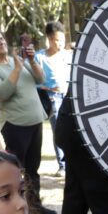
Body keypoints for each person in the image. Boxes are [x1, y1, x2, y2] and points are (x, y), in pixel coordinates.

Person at [0, 25, 56, 214]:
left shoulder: (18, 60)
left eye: (2, 38)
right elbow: (2, 93)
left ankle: (34, 205)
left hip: (35, 121)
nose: (2, 42)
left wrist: (31, 60)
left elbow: (41, 79)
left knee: (33, 168)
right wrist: (17, 69)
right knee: (16, 170)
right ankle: (15, 207)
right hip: (15, 125)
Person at [36, 21, 71, 176]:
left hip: (69, 96)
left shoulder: (69, 55)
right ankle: (62, 164)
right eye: (57, 40)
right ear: (49, 39)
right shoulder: (39, 58)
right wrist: (48, 88)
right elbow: (34, 81)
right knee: (59, 130)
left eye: (63, 40)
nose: (61, 44)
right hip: (52, 98)